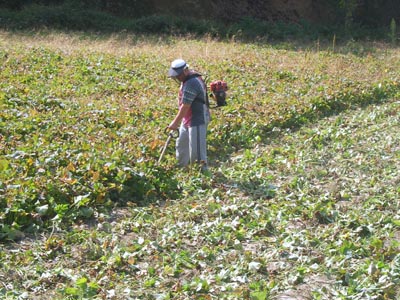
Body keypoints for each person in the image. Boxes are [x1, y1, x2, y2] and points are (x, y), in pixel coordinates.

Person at [167, 59, 210, 172]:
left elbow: (185, 106)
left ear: (186, 70)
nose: (178, 78)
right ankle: (182, 170)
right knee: (181, 145)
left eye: (179, 75)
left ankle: (203, 174)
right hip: (187, 119)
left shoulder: (191, 83)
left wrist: (174, 123)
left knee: (197, 151)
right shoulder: (186, 80)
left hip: (197, 119)